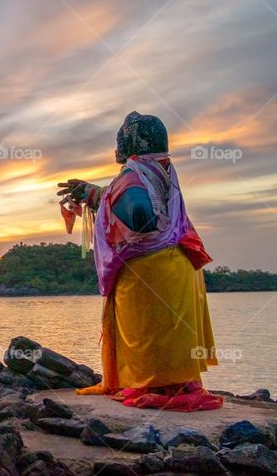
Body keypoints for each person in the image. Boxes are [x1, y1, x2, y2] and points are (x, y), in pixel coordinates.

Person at [56, 112, 222, 411]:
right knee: (169, 331)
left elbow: (142, 219)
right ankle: (173, 382)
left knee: (149, 332)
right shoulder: (163, 172)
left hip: (151, 269)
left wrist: (99, 197)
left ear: (128, 143)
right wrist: (95, 194)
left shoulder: (132, 176)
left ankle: (154, 384)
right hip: (178, 265)